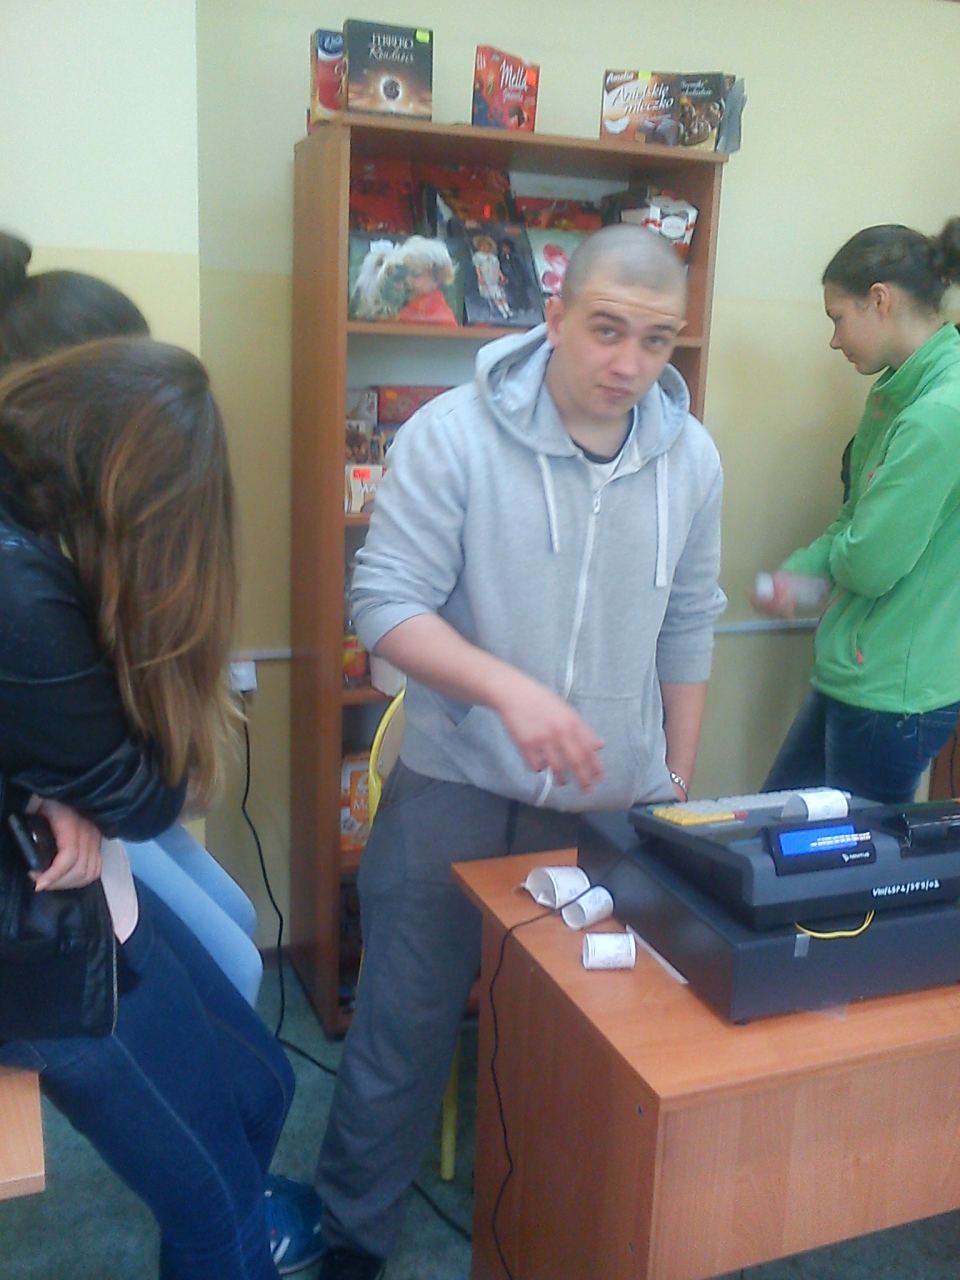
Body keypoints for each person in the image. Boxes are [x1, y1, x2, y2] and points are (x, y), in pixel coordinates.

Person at [313, 223, 727, 1279]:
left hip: (610, 796)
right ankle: (353, 1236)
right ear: (553, 316)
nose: (629, 363)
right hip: (454, 783)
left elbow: (690, 621)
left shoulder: (690, 458)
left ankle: (569, 1224)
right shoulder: (453, 435)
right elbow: (384, 604)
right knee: (403, 1021)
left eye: (656, 340)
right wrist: (509, 690)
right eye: (606, 330)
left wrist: (676, 781)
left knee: (597, 1032)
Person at [0, 338, 317, 1279]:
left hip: (79, 886)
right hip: (41, 945)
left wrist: (52, 783)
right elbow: (150, 797)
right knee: (217, 1211)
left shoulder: (28, 546)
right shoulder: (21, 592)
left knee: (262, 1089)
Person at [0, 229, 264, 1007]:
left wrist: (60, 791)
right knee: (237, 966)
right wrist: (46, 796)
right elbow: (142, 793)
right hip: (71, 806)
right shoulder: (23, 573)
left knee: (239, 922)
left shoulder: (46, 528)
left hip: (79, 783)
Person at [756, 218, 960, 803]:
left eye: (837, 318)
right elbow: (856, 520)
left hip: (892, 691)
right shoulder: (896, 391)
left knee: (843, 856)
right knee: (779, 826)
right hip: (858, 672)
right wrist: (802, 569)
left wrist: (827, 568)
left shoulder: (937, 415)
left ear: (880, 299)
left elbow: (871, 563)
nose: (834, 339)